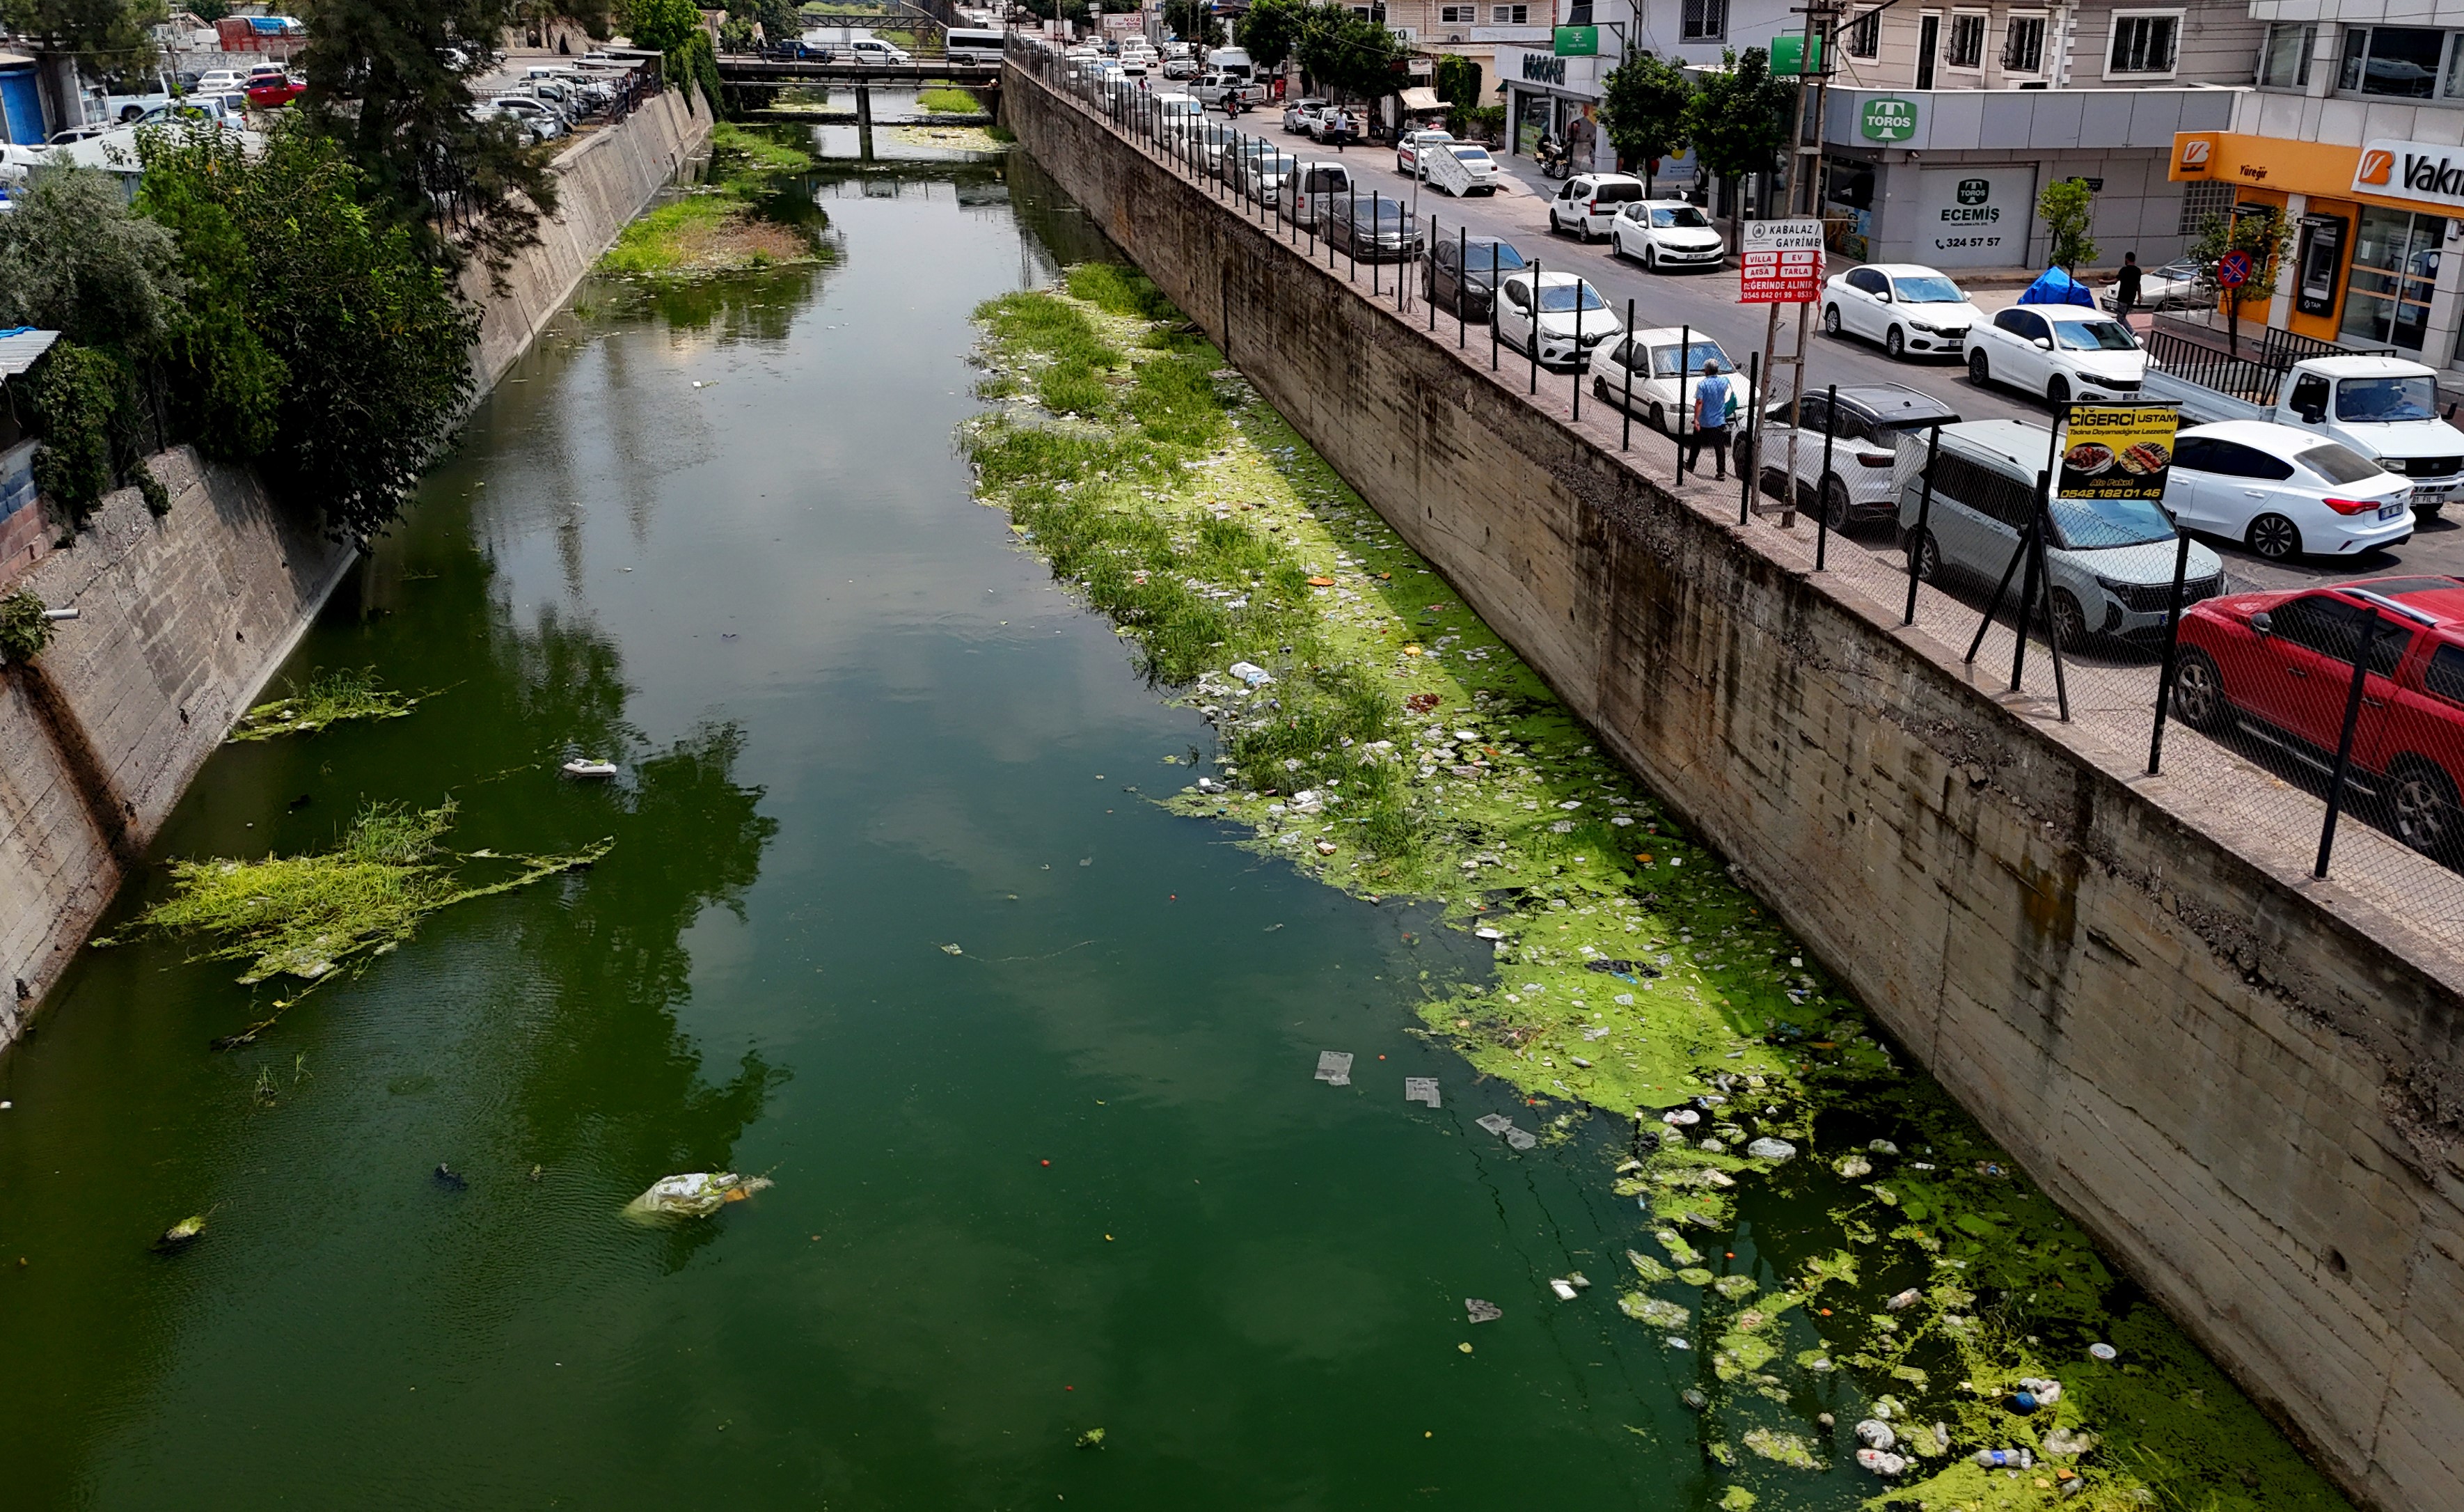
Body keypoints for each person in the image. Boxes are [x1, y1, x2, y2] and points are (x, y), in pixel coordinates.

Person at [1688, 359, 1732, 480]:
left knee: (1696, 445)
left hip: (1704, 420)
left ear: (1706, 371)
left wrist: (1696, 419)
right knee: (1719, 446)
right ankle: (1721, 472)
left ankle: (1690, 466)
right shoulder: (1724, 382)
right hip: (1718, 420)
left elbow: (1699, 402)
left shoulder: (1702, 385)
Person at [2115, 251, 2142, 324]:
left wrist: (2103, 282)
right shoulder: (2138, 271)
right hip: (2131, 298)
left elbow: (2114, 281)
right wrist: (2139, 297)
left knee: (2121, 318)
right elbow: (2138, 285)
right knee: (2122, 317)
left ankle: (2130, 330)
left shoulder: (2124, 270)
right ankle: (2121, 330)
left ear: (2127, 259)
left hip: (2123, 298)